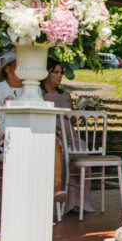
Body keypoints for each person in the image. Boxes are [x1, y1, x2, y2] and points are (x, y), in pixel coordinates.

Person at [40, 60, 70, 206]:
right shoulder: (40, 95)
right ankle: (56, 192)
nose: (59, 76)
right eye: (56, 72)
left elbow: (73, 118)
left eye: (61, 73)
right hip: (52, 133)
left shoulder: (66, 94)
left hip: (70, 134)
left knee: (79, 156)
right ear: (46, 73)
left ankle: (76, 203)